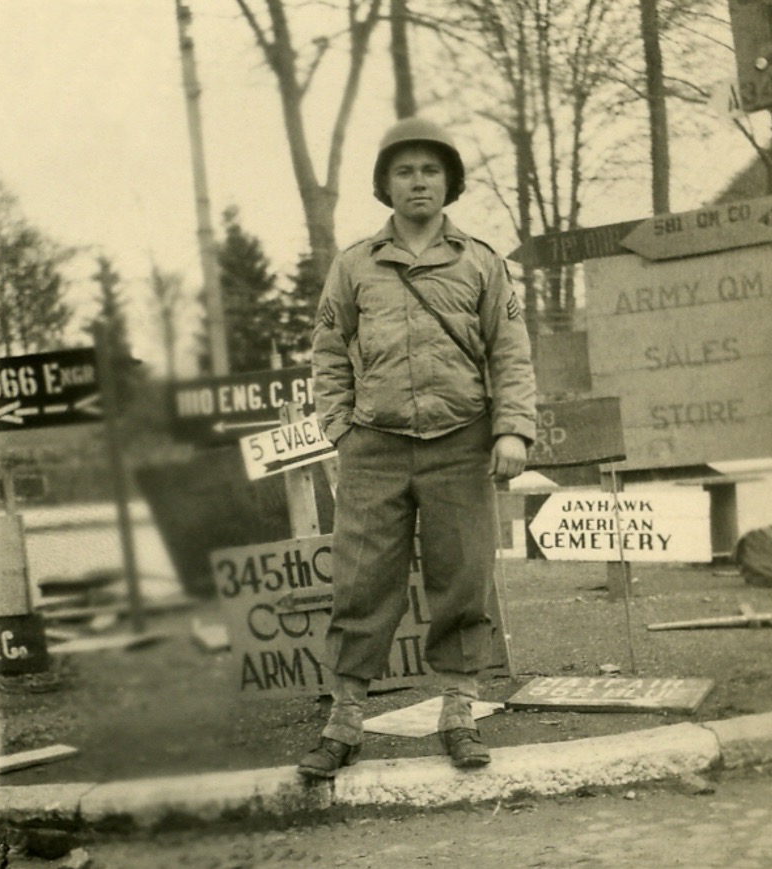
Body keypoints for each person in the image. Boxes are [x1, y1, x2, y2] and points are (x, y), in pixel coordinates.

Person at [297, 116, 536, 779]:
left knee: (462, 577)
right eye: (404, 171)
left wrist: (512, 427)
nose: (418, 182)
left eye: (430, 170)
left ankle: (459, 709)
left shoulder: (483, 263)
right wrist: (341, 427)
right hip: (374, 446)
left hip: (461, 442)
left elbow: (511, 353)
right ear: (385, 185)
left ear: (449, 182)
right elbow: (326, 352)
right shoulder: (353, 267)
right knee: (361, 581)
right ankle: (344, 717)